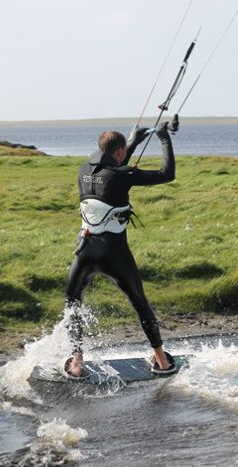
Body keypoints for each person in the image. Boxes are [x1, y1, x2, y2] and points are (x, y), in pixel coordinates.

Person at [63, 120, 178, 379]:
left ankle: (77, 362)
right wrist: (163, 138)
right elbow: (167, 174)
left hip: (84, 252)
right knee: (139, 302)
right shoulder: (122, 175)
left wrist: (133, 140)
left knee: (73, 301)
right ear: (118, 152)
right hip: (113, 253)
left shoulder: (83, 170)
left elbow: (109, 168)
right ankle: (162, 361)